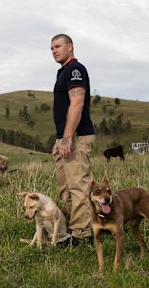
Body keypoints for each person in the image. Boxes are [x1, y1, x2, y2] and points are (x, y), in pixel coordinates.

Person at [50, 34, 95, 245]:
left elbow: (77, 103)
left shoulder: (75, 70)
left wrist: (68, 138)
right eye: (51, 48)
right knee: (65, 188)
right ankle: (70, 230)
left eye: (58, 46)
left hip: (77, 137)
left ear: (70, 47)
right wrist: (59, 140)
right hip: (65, 138)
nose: (54, 50)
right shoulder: (62, 73)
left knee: (78, 186)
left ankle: (82, 233)